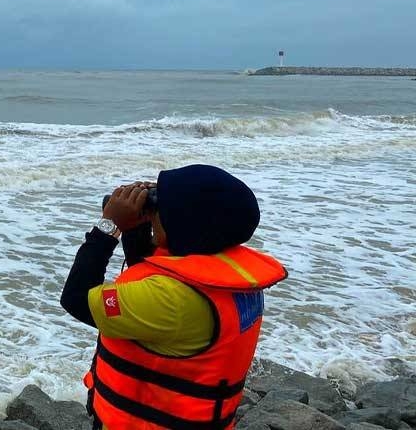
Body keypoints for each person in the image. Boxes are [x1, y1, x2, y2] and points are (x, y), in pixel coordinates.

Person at [60, 164, 287, 429]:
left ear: (183, 223)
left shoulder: (171, 301)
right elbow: (147, 275)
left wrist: (109, 226)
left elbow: (76, 298)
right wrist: (142, 227)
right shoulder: (231, 278)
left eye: (160, 206)